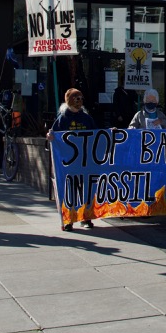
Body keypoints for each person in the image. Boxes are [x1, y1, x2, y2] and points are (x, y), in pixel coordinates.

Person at [49, 88, 95, 231]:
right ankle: (69, 219)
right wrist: (50, 136)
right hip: (68, 163)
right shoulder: (62, 119)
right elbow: (53, 134)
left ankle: (86, 218)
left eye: (80, 99)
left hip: (84, 162)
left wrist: (109, 134)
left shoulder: (87, 119)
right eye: (75, 99)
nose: (78, 102)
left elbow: (97, 136)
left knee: (85, 191)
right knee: (70, 192)